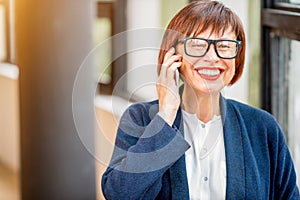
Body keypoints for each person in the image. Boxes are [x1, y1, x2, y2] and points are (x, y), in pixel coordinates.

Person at [101, 0, 300, 199]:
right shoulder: (140, 119)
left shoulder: (262, 127)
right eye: (197, 45)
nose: (212, 57)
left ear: (236, 56)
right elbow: (118, 194)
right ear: (173, 55)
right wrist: (165, 117)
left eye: (224, 45)